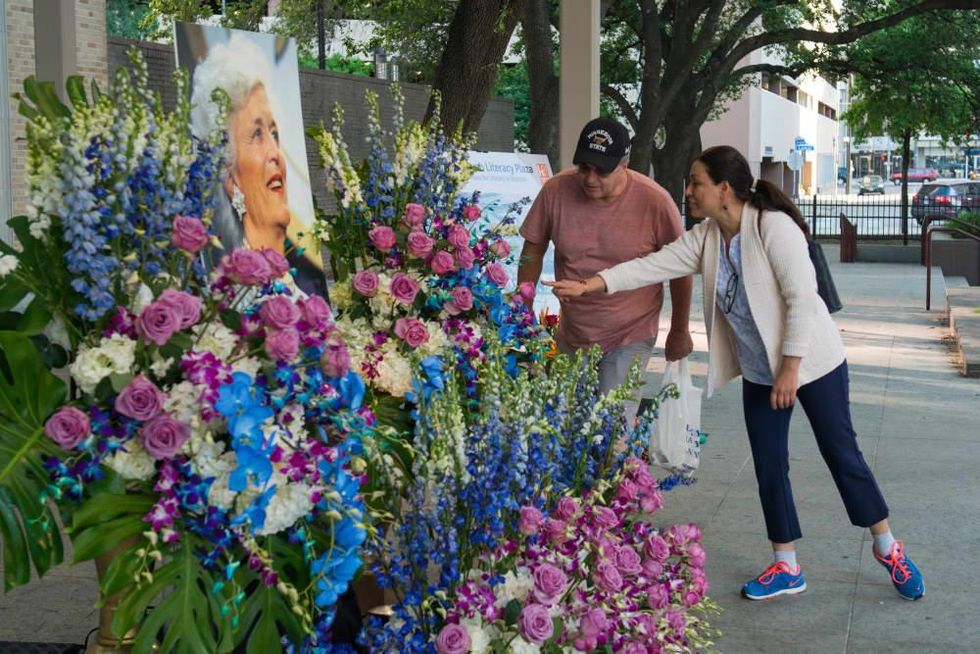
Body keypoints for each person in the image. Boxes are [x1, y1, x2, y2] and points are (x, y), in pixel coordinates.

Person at [546, 145, 924, 602]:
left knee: (841, 453)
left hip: (813, 363)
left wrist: (790, 368)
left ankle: (887, 545)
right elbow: (653, 265)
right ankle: (787, 564)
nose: (688, 191)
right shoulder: (706, 237)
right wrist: (592, 284)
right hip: (762, 371)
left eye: (696, 183)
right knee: (769, 464)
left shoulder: (773, 228)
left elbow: (802, 301)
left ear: (724, 188)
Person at [517, 117, 694, 397]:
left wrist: (679, 329)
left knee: (611, 430)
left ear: (624, 164)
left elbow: (681, 267)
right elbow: (532, 249)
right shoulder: (556, 190)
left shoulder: (654, 201)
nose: (589, 178)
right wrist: (523, 307)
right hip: (574, 332)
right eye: (584, 168)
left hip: (630, 332)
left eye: (601, 171)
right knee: (567, 427)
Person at [189, 34, 326, 297]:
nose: (275, 152)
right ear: (229, 176)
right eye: (256, 134)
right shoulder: (233, 295)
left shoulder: (310, 283)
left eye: (274, 134)